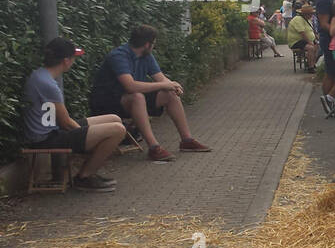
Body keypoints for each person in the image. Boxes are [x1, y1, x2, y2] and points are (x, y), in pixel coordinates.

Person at [88, 25, 210, 162]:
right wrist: (165, 84)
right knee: (137, 97)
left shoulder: (146, 56)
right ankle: (153, 148)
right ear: (147, 44)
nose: (153, 46)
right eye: (153, 44)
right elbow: (130, 86)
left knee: (170, 95)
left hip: (129, 98)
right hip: (107, 102)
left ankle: (186, 140)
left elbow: (161, 78)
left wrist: (172, 86)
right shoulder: (118, 56)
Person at [23, 38, 126, 192]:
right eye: (73, 57)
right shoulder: (49, 84)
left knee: (114, 118)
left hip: (50, 130)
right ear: (66, 61)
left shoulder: (40, 75)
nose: (74, 61)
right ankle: (84, 176)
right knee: (118, 129)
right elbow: (66, 123)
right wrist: (87, 139)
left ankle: (87, 172)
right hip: (46, 138)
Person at [286, 2, 319, 67]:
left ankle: (311, 63)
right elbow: (302, 33)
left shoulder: (307, 20)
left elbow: (310, 30)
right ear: (306, 14)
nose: (312, 15)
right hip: (296, 41)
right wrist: (310, 42)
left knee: (318, 46)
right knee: (311, 48)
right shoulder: (298, 19)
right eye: (311, 14)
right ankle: (311, 67)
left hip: (304, 41)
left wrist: (316, 38)